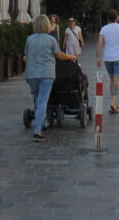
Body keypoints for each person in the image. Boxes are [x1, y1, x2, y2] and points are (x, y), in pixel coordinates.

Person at [24, 14, 78, 142]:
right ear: (47, 25)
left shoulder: (29, 39)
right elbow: (59, 56)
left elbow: (24, 57)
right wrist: (72, 57)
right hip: (47, 74)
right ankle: (37, 131)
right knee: (43, 101)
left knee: (37, 100)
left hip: (31, 74)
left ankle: (42, 123)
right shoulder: (51, 40)